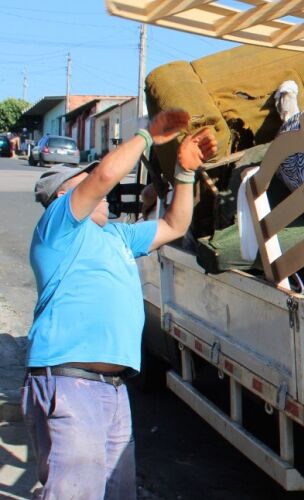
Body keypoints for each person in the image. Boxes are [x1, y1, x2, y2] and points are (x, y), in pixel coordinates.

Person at [22, 109, 217, 500]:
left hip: (111, 390)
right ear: (64, 196)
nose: (105, 193)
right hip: (70, 383)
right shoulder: (58, 230)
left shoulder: (117, 236)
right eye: (86, 184)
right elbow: (105, 176)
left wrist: (184, 171)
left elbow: (175, 226)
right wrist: (148, 136)